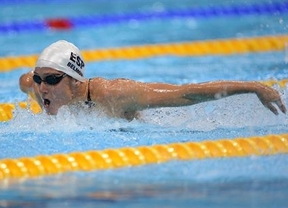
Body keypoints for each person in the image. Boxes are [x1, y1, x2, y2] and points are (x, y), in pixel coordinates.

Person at [19, 40, 286, 121]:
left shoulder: (113, 95)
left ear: (76, 81)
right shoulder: (39, 89)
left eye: (52, 79)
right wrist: (34, 78)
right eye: (40, 78)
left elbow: (187, 93)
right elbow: (25, 80)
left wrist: (254, 87)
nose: (42, 87)